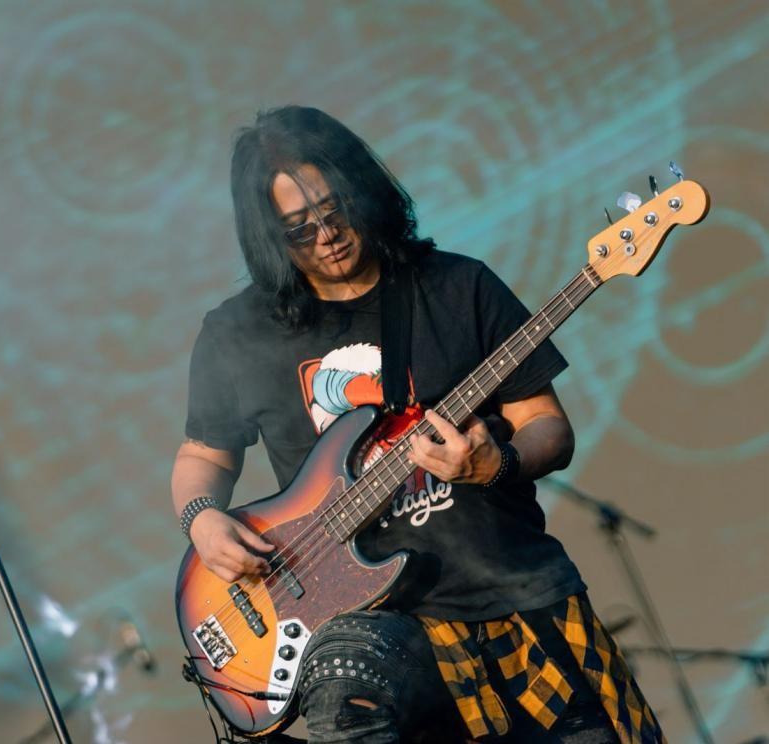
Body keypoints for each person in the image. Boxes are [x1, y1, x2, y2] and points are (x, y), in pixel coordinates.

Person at [171, 106, 664, 743]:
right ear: (268, 238)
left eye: (335, 210)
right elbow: (203, 455)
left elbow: (545, 424)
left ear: (363, 190)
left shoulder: (459, 287)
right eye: (299, 229)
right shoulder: (238, 334)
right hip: (375, 628)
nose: (327, 235)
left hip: (512, 592)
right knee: (345, 701)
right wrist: (202, 519)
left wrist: (499, 463)